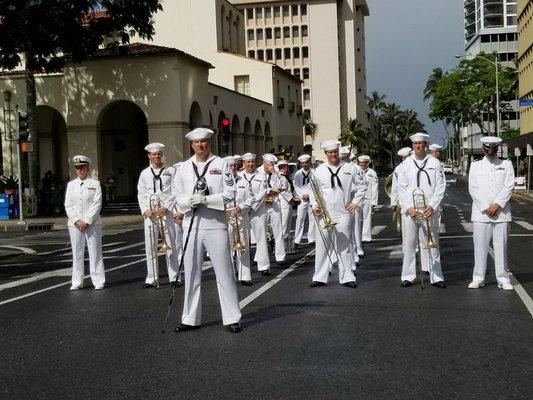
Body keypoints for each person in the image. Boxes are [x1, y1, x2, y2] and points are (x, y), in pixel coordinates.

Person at [173, 127, 242, 333]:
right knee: (192, 273)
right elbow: (176, 195)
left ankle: (232, 317)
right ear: (191, 145)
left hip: (215, 225)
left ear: (209, 143)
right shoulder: (183, 168)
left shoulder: (221, 165)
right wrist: (189, 202)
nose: (200, 145)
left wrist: (207, 200)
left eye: (204, 141)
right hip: (191, 224)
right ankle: (190, 318)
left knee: (224, 272)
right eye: (196, 142)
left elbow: (231, 192)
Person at [310, 140, 367, 287]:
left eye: (335, 151)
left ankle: (347, 277)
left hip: (343, 212)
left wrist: (355, 203)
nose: (333, 154)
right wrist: (315, 206)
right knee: (322, 246)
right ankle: (319, 277)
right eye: (330, 152)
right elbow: (312, 190)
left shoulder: (349, 168)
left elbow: (362, 185)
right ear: (325, 154)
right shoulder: (319, 170)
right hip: (324, 213)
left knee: (344, 246)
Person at [396, 133, 446, 288]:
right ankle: (408, 276)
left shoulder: (435, 163)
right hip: (411, 211)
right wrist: (408, 207)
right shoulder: (405, 165)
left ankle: (436, 276)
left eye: (421, 143)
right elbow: (400, 189)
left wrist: (433, 205)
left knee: (432, 243)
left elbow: (440, 186)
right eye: (415, 144)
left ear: (426, 145)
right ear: (412, 146)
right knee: (409, 244)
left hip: (428, 209)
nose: (418, 146)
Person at [468, 136, 515, 291]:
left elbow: (509, 186)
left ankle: (503, 279)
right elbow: (473, 188)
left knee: (501, 246)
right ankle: (478, 278)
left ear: (497, 149)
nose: (491, 153)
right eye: (488, 150)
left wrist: (497, 204)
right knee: (479, 247)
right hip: (481, 214)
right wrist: (485, 207)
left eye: (494, 150)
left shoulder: (506, 164)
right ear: (483, 149)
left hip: (501, 213)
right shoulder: (475, 166)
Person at [137, 143, 180, 289]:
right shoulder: (144, 173)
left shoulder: (171, 170)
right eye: (153, 154)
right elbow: (141, 194)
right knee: (150, 247)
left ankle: (174, 277)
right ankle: (152, 277)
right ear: (149, 156)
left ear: (162, 155)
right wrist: (145, 210)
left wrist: (167, 207)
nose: (156, 156)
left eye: (159, 154)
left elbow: (175, 191)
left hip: (166, 213)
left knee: (170, 245)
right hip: (151, 214)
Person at [64, 155, 105, 290]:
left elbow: (97, 204)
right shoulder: (71, 185)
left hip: (92, 223)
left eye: (82, 167)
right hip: (75, 224)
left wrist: (87, 221)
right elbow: (68, 205)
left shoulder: (95, 184)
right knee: (77, 253)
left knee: (95, 252)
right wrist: (76, 220)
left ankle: (98, 281)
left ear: (87, 168)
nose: (80, 170)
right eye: (77, 168)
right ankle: (77, 282)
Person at [225, 156, 254, 285]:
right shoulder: (222, 183)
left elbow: (251, 199)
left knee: (243, 247)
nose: (233, 168)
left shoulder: (244, 181)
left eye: (235, 166)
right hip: (226, 218)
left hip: (242, 217)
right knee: (228, 249)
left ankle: (245, 276)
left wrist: (241, 207)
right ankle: (229, 276)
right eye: (231, 166)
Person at [241, 153, 271, 274]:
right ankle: (243, 268)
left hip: (258, 211)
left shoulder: (261, 176)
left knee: (261, 238)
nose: (250, 164)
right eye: (248, 162)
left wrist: (253, 205)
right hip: (243, 211)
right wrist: (244, 207)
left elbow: (263, 192)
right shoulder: (238, 176)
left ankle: (264, 266)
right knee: (243, 240)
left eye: (252, 162)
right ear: (243, 163)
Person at [258, 153, 287, 269]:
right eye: (269, 165)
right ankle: (260, 257)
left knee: (278, 230)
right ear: (264, 162)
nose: (270, 167)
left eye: (273, 165)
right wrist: (268, 191)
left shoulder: (276, 173)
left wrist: (274, 173)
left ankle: (280, 256)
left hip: (274, 203)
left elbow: (281, 185)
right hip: (262, 204)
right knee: (261, 233)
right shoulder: (258, 173)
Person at [293, 154, 315, 247]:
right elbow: (296, 186)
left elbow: (316, 185)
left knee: (312, 218)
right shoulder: (298, 173)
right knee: (300, 219)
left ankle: (311, 238)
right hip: (302, 199)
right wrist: (302, 195)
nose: (305, 165)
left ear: (309, 162)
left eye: (306, 163)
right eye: (302, 163)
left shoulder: (314, 172)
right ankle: (297, 240)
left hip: (312, 198)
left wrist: (309, 195)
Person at [358, 155, 378, 243]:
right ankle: (357, 236)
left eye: (363, 164)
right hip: (358, 198)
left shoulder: (372, 173)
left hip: (368, 197)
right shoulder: (357, 171)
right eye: (360, 164)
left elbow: (375, 187)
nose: (361, 166)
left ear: (367, 164)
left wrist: (374, 201)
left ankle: (366, 237)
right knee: (357, 218)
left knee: (367, 217)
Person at [276, 160, 295, 250]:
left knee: (288, 224)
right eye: (287, 166)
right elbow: (283, 191)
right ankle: (281, 246)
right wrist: (292, 198)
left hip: (288, 203)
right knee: (284, 225)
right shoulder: (280, 177)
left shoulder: (285, 177)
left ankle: (286, 245)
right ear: (284, 167)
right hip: (284, 203)